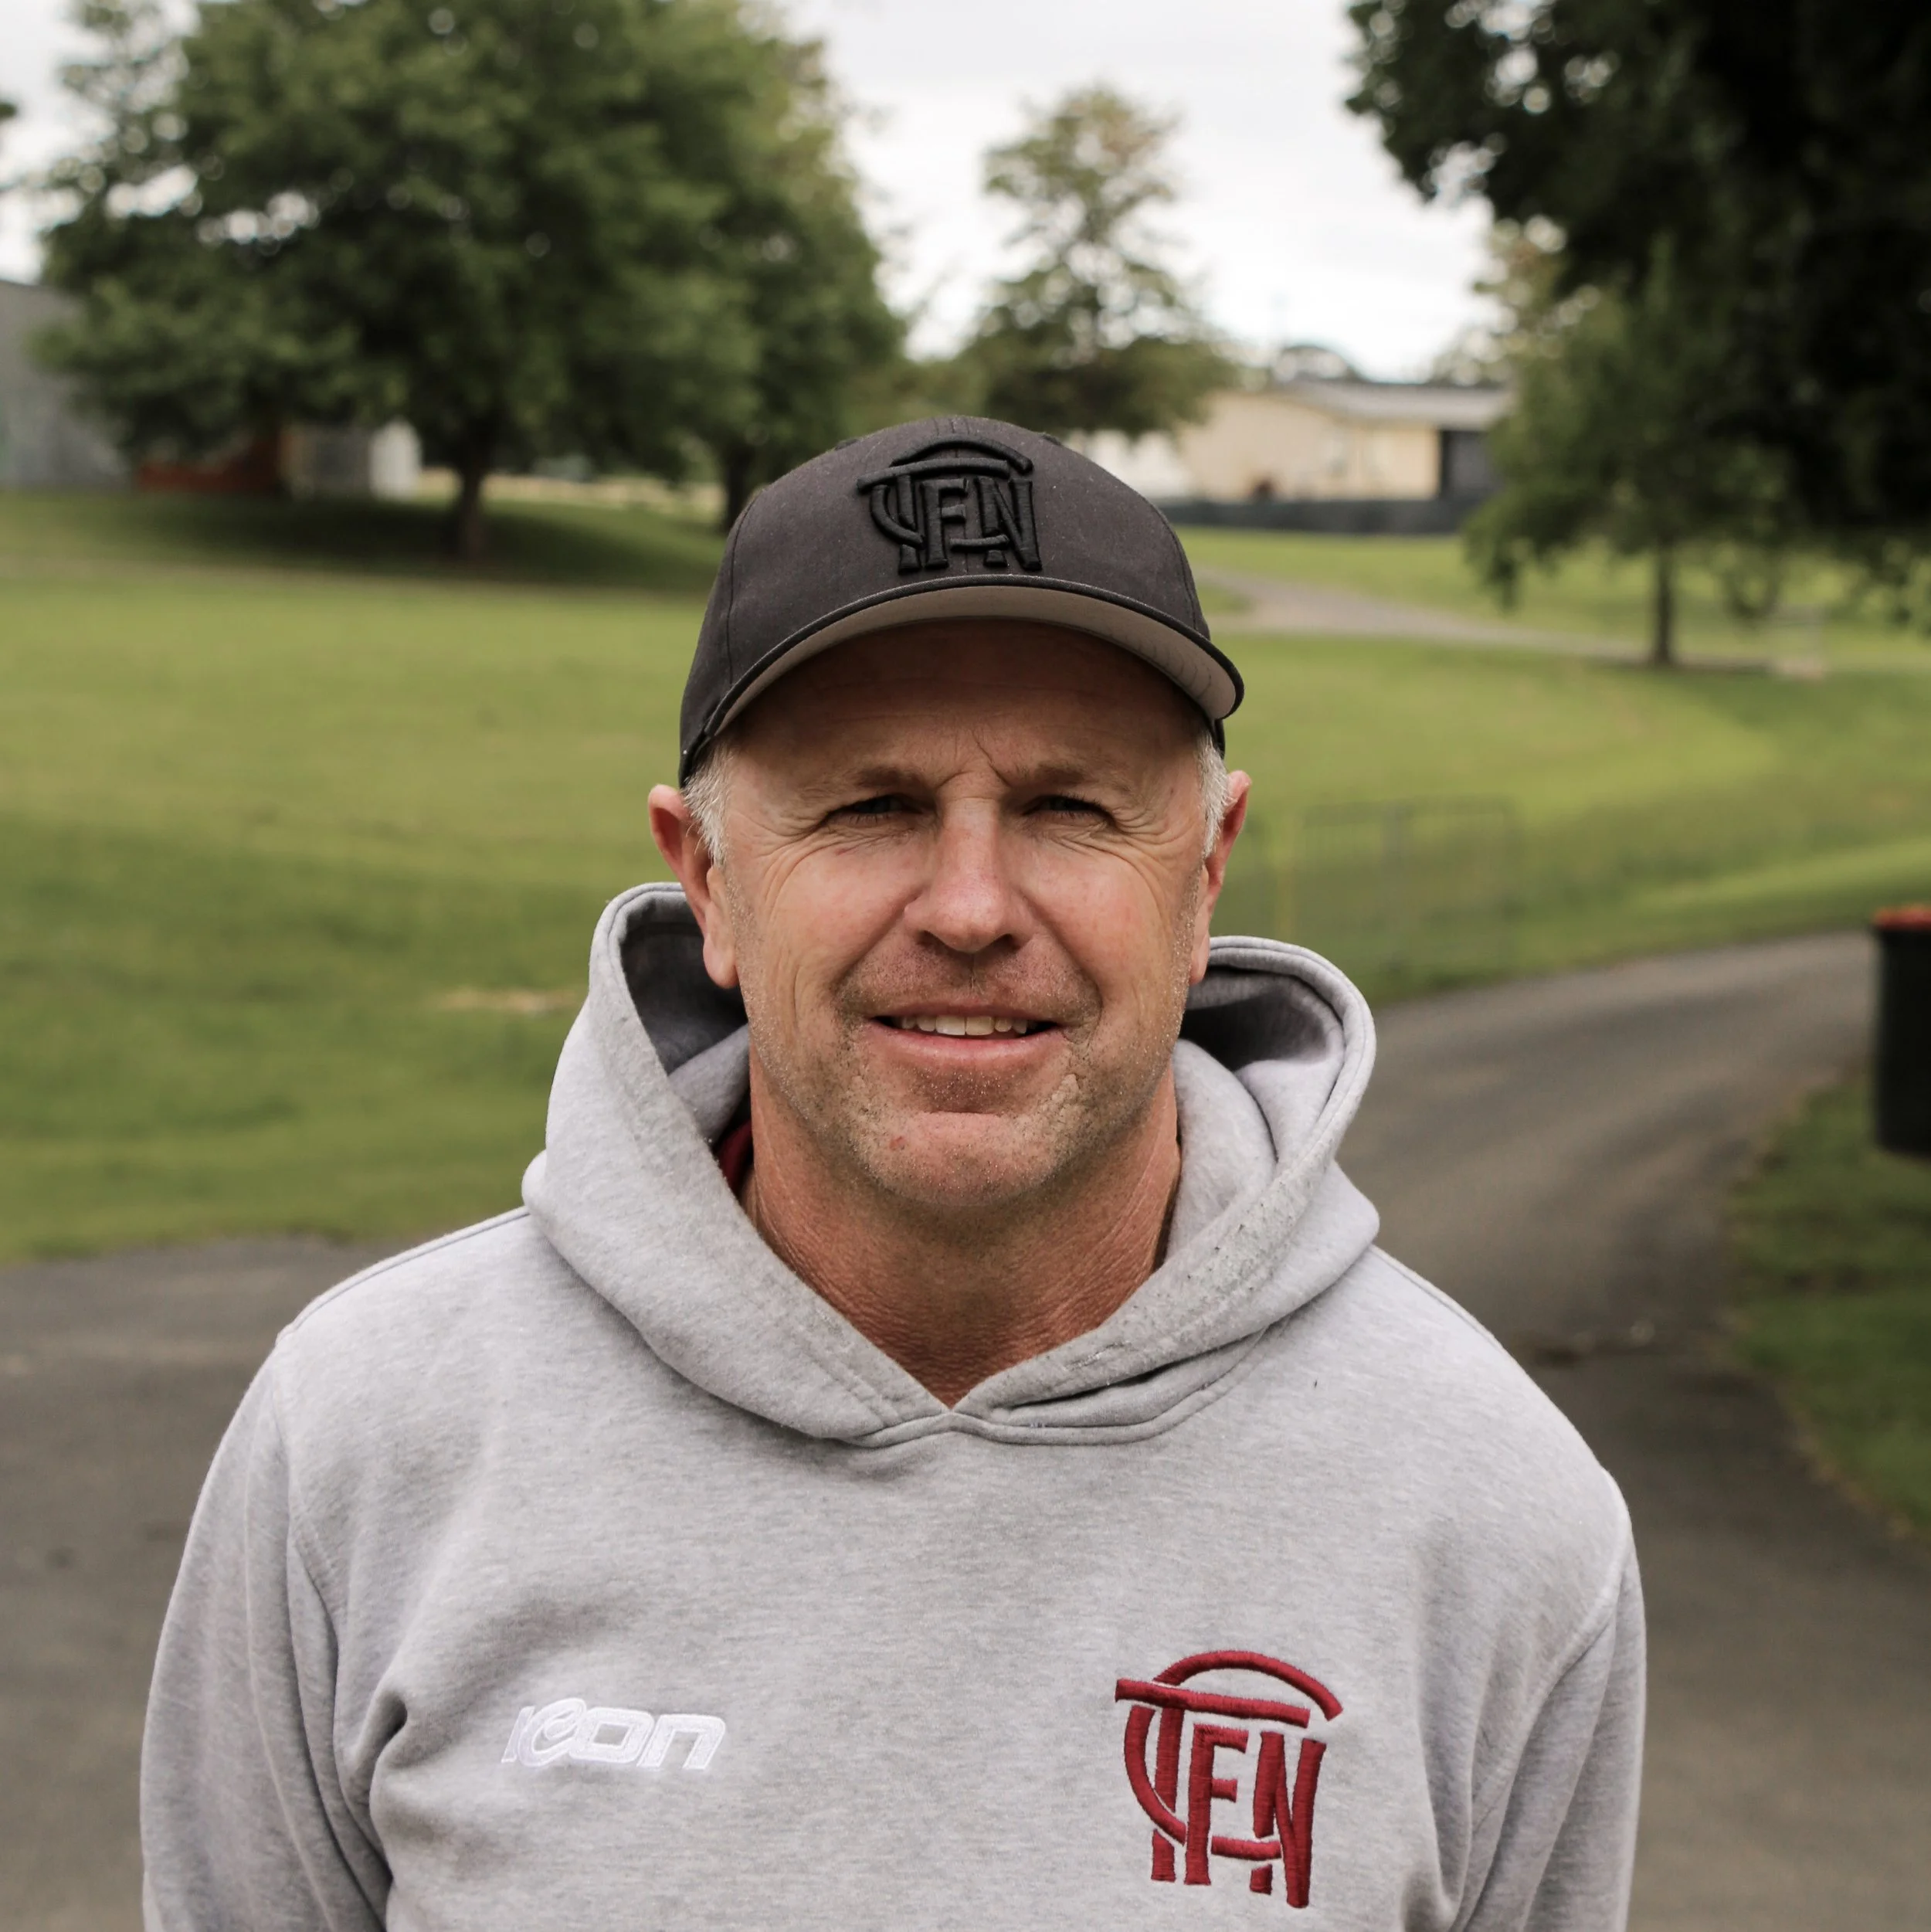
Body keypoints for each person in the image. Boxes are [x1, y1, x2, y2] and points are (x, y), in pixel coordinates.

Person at [142, 418, 1643, 1930]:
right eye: (871, 807)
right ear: (709, 881)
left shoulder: (1493, 1513)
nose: (972, 906)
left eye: (1067, 806)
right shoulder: (359, 1437)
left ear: (1203, 875)